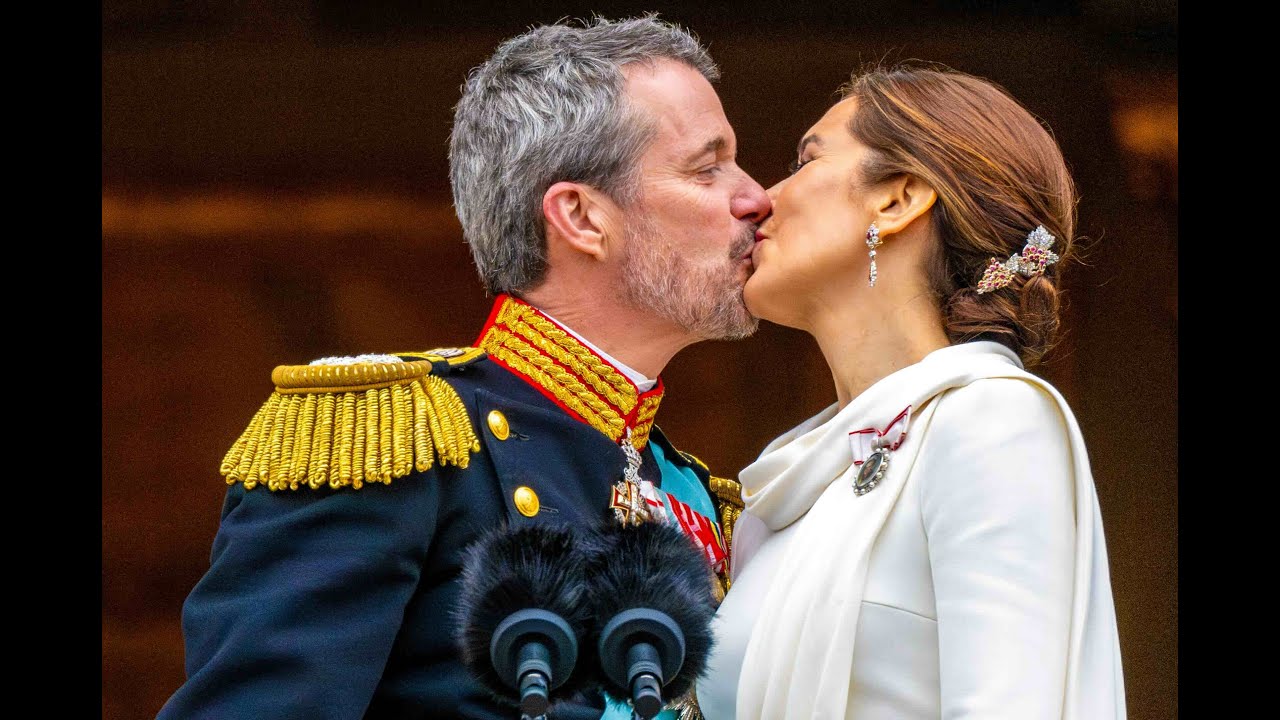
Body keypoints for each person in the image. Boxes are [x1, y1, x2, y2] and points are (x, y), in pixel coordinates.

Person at [156, 16, 770, 720]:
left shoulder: (691, 490)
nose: (756, 196)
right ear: (580, 217)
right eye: (707, 167)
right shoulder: (392, 436)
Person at [695, 64, 1126, 719]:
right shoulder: (786, 493)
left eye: (806, 159)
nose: (762, 197)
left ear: (896, 201)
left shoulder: (991, 419)